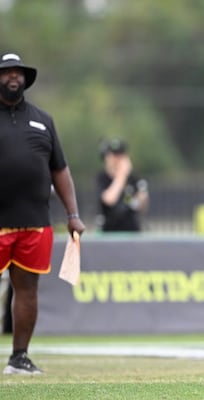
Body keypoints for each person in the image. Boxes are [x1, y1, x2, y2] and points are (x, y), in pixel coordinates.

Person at [0, 53, 85, 374]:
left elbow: (60, 170)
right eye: (6, 72)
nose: (13, 77)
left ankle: (19, 357)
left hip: (34, 222)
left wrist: (72, 213)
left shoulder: (42, 119)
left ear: (25, 79)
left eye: (17, 73)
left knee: (27, 290)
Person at [96, 138, 149, 232]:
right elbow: (109, 199)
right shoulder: (102, 178)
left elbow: (141, 205)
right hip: (109, 230)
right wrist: (121, 175)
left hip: (131, 230)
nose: (117, 159)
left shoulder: (133, 178)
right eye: (113, 155)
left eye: (120, 155)